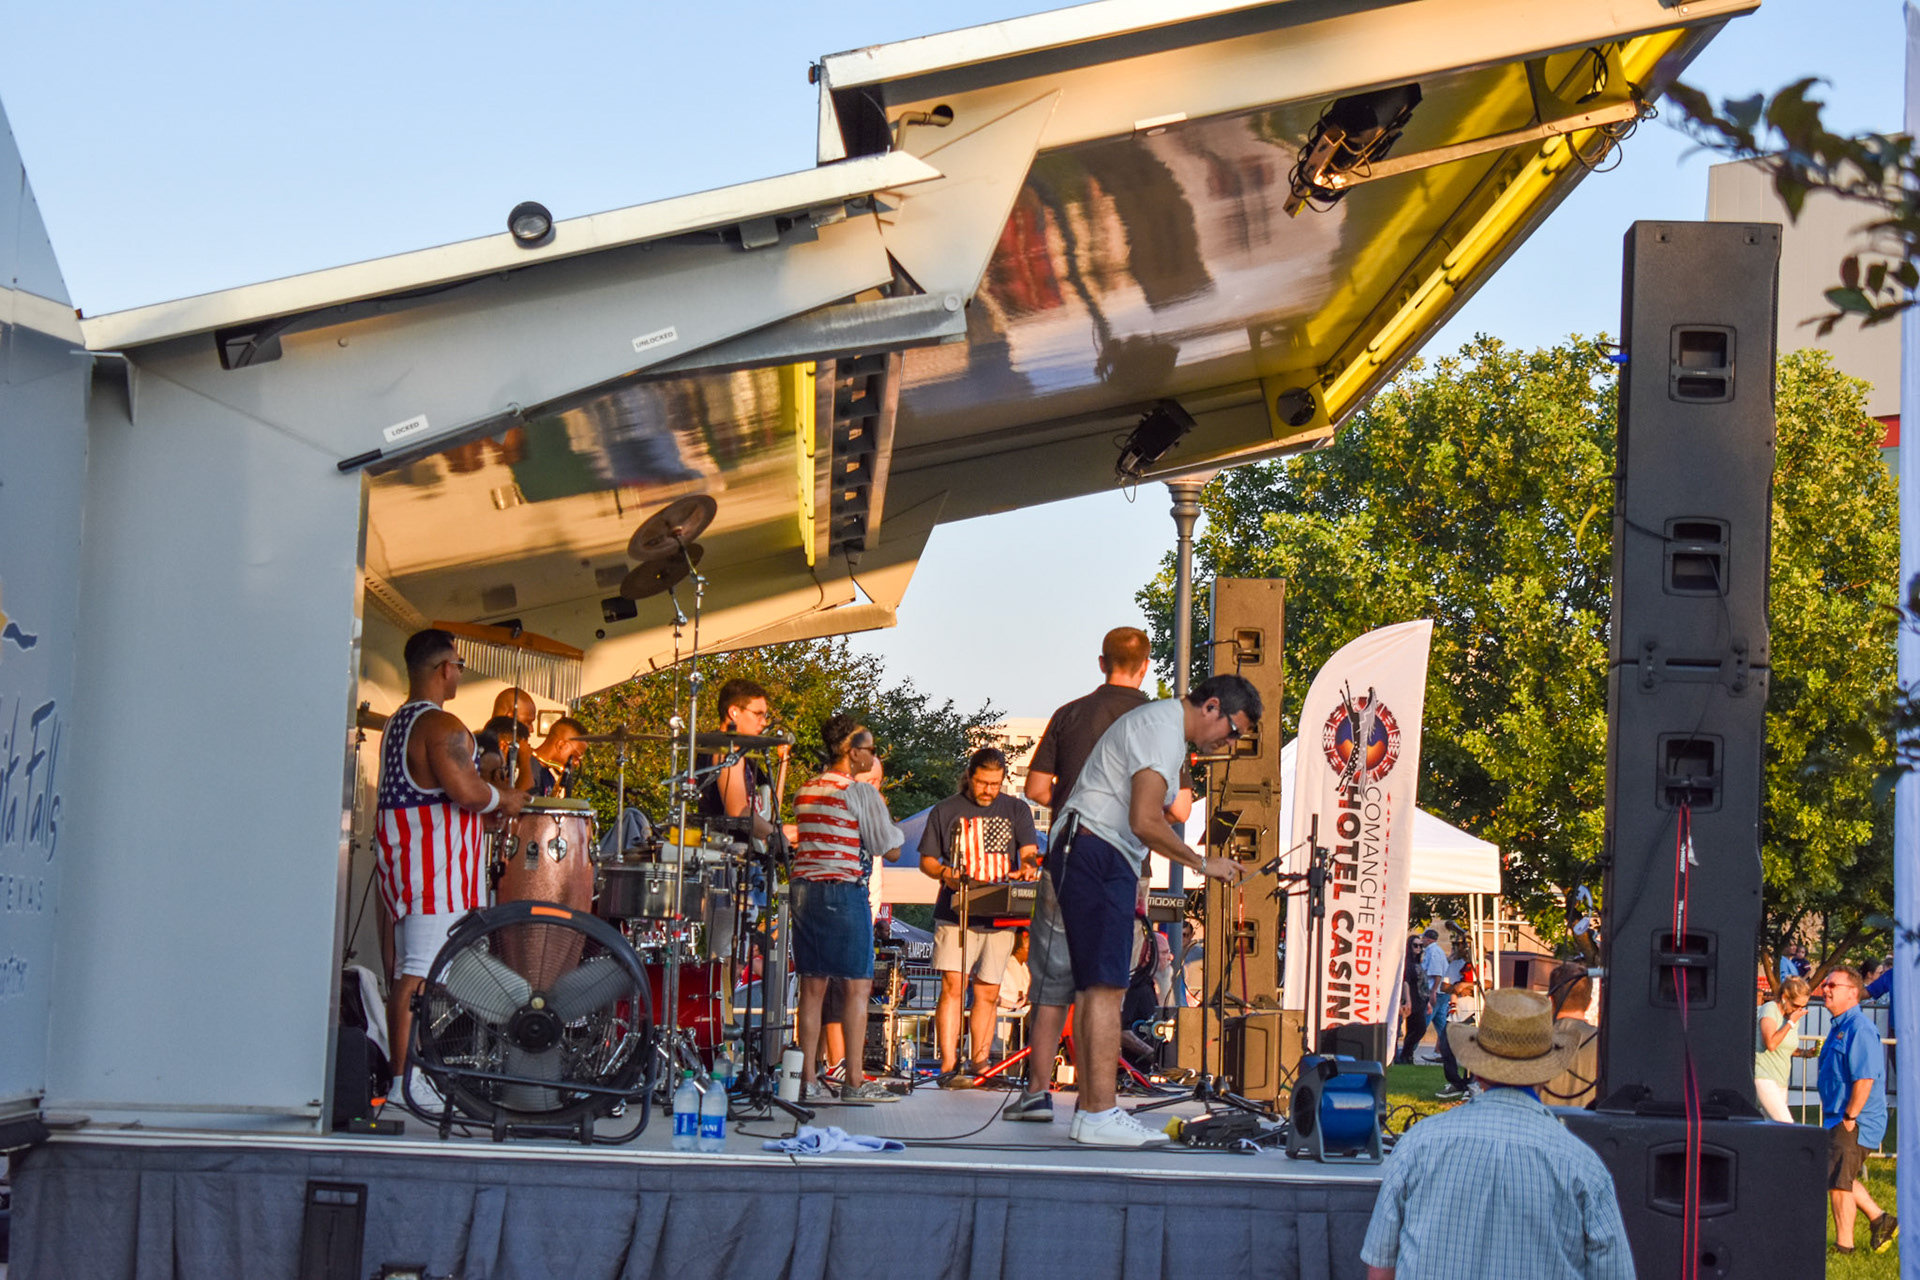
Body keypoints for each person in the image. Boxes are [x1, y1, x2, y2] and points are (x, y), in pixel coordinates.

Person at [1038, 674, 1259, 1146]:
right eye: (1233, 731)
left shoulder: (1163, 730)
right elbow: (1144, 819)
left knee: (1099, 987)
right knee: (1104, 988)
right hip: (1098, 848)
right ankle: (1099, 1112)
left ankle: (1091, 1112)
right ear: (1212, 707)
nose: (1230, 743)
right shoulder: (1162, 729)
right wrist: (1202, 863)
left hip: (1095, 848)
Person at [1015, 627, 1194, 1121]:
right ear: (1146, 666)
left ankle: (1036, 1092)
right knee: (1106, 984)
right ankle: (1097, 1098)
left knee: (1051, 982)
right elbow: (1180, 807)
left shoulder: (1070, 714)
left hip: (1068, 855)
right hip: (1126, 863)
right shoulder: (1158, 722)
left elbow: (1036, 788)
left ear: (1101, 662)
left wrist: (1080, 801)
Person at [1361, 988, 1633, 1280]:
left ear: (1477, 1070)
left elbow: (1380, 1267)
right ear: (1546, 1072)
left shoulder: (1418, 1143)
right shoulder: (1582, 1165)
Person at [376, 630, 529, 1098]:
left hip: (410, 865)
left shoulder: (398, 723)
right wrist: (506, 798)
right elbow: (466, 791)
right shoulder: (440, 725)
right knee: (417, 976)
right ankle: (405, 1083)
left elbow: (438, 793)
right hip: (433, 871)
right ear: (446, 668)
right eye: (459, 666)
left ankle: (414, 1076)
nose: (460, 674)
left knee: (416, 974)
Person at [790, 714, 904, 1104]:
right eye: (869, 749)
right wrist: (882, 812)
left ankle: (807, 1079)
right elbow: (891, 848)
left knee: (812, 987)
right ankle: (854, 1081)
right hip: (843, 889)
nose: (872, 756)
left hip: (805, 891)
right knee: (857, 986)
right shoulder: (860, 793)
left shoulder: (806, 789)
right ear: (852, 752)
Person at [919, 747, 1040, 1086]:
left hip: (999, 913)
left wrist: (1027, 868)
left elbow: (1029, 853)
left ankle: (981, 1063)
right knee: (953, 987)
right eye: (983, 783)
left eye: (995, 784)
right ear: (969, 777)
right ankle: (948, 1064)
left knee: (989, 990)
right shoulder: (946, 810)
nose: (988, 790)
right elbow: (927, 860)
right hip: (955, 912)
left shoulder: (1017, 809)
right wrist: (944, 872)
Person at [1818, 967, 1898, 1255]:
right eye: (1825, 985)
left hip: (1855, 1119)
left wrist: (1850, 1117)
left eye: (1833, 985)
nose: (1825, 989)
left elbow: (1865, 1079)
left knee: (1839, 1183)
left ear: (1853, 992)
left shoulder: (1859, 1028)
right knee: (1838, 1175)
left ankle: (1844, 1246)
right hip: (1840, 1117)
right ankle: (1880, 1219)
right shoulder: (1840, 1026)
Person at [698, 678, 790, 846]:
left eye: (765, 716)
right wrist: (778, 838)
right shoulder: (726, 750)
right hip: (728, 852)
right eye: (758, 714)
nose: (764, 722)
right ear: (734, 712)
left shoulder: (736, 750)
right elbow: (738, 812)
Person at [1538, 960, 1600, 1110]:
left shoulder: (1531, 1041)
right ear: (1589, 1003)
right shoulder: (1605, 1044)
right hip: (1588, 1124)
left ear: (1550, 1000)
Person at [1753, 975, 1810, 1123]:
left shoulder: (1791, 1017)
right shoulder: (1770, 1009)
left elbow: (1785, 1046)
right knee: (1786, 1123)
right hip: (1763, 1076)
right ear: (1785, 997)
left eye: (1802, 1007)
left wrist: (1805, 1052)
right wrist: (1790, 1023)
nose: (1799, 1010)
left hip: (1781, 1079)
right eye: (1796, 1005)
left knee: (1773, 1128)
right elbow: (1771, 1044)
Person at [1432, 934, 1478, 1099]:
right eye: (1455, 945)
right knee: (1446, 1048)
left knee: (1470, 1050)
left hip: (1473, 1012)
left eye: (1459, 945)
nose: (1456, 949)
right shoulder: (1455, 964)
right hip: (1455, 1014)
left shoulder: (1481, 964)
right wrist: (1456, 989)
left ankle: (1471, 1085)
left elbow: (1487, 983)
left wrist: (1466, 985)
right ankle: (1456, 1083)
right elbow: (1444, 986)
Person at [523, 716, 588, 796]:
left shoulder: (550, 778)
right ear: (561, 745)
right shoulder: (526, 766)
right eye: (576, 756)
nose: (577, 763)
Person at [1395, 934, 1430, 1065]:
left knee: (1417, 1028)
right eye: (1415, 945)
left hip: (1421, 999)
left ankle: (1407, 1054)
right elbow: (1406, 982)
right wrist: (1408, 1000)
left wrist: (1427, 1003)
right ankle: (1405, 1054)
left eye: (1420, 945)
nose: (1418, 948)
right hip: (1413, 999)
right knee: (1418, 1028)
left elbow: (1423, 984)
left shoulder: (1418, 963)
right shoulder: (1408, 964)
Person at [1416, 928, 1448, 1063]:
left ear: (1429, 939)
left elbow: (1437, 974)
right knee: (1442, 1026)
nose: (1422, 941)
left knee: (1421, 1023)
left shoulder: (1433, 952)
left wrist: (1433, 992)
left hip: (1435, 993)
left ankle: (1409, 1051)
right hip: (1441, 994)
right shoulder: (1437, 951)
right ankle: (1447, 1051)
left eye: (1423, 938)